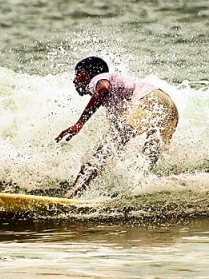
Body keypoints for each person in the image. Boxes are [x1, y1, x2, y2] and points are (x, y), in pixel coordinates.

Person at [55, 57, 178, 198]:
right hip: (169, 107)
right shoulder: (117, 97)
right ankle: (138, 192)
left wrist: (80, 123)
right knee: (149, 155)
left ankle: (73, 195)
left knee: (103, 149)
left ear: (89, 74)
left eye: (78, 74)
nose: (75, 80)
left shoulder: (98, 79)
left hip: (150, 99)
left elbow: (103, 89)